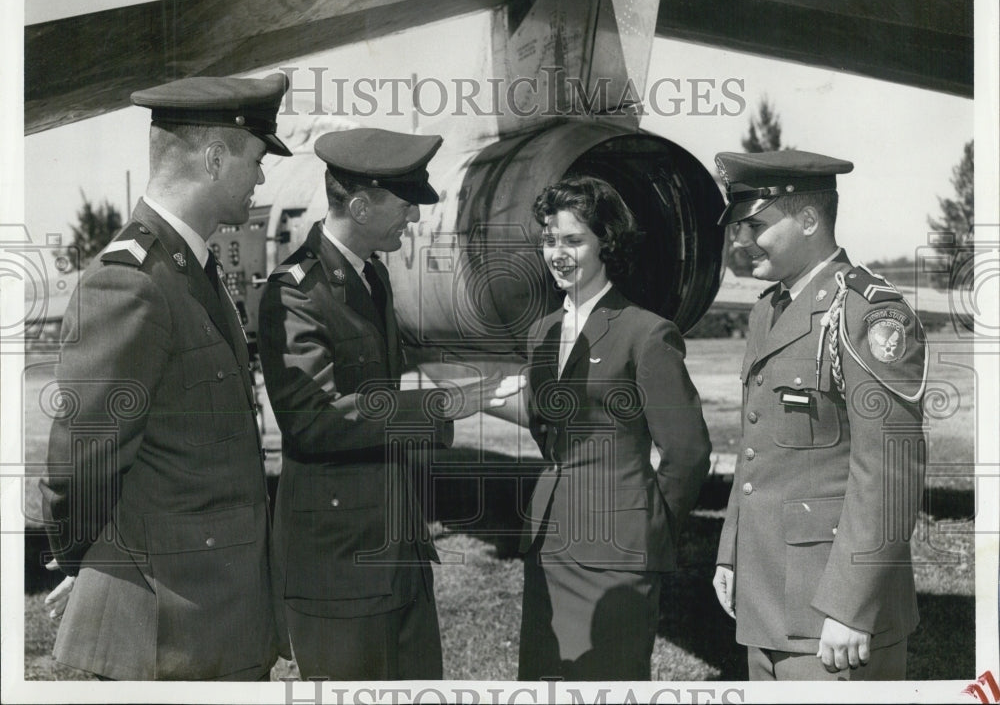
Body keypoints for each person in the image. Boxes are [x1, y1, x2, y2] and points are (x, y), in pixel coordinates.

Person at [38, 73, 294, 680]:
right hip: (170, 634)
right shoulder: (131, 281)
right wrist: (90, 562)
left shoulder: (192, 269)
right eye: (256, 161)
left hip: (217, 617)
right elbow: (84, 460)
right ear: (214, 158)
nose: (261, 180)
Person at [257, 127, 521, 680]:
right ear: (360, 206)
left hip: (397, 547)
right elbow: (314, 420)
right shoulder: (296, 291)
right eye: (405, 205)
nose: (415, 218)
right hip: (341, 563)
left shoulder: (371, 274)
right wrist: (438, 406)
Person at [711, 149, 927, 681]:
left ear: (808, 220)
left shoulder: (868, 314)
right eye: (738, 227)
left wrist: (851, 606)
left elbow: (890, 472)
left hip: (836, 616)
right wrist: (730, 552)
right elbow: (758, 448)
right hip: (766, 598)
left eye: (754, 225)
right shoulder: (768, 310)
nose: (740, 241)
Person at [518, 176, 712, 681]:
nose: (557, 254)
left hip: (616, 556)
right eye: (549, 239)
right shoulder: (542, 332)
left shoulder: (646, 333)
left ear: (607, 242)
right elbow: (549, 433)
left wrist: (648, 525)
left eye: (573, 240)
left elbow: (688, 452)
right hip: (548, 542)